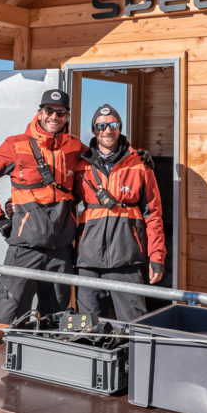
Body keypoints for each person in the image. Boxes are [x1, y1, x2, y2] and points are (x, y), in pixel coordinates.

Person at [0, 88, 83, 323]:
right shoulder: (15, 145)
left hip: (60, 252)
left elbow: (103, 161)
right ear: (39, 113)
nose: (54, 116)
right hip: (24, 249)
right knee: (9, 317)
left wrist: (134, 154)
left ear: (67, 117)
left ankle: (47, 360)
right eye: (49, 110)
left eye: (60, 112)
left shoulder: (75, 147)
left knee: (57, 319)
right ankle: (7, 358)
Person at [73, 103, 166, 321]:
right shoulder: (80, 165)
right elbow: (60, 199)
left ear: (120, 128)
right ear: (94, 129)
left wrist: (157, 257)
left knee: (134, 326)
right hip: (88, 263)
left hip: (127, 262)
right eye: (102, 125)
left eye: (113, 124)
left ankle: (131, 357)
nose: (107, 130)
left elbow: (153, 215)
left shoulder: (140, 165)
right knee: (88, 329)